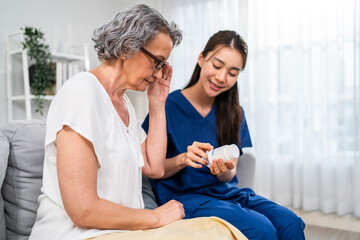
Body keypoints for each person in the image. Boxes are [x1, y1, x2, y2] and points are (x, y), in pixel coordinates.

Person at [29, 4, 185, 240]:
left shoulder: (124, 105)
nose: (158, 74)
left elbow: (154, 166)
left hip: (119, 233)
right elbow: (83, 210)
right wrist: (155, 217)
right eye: (157, 62)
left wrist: (157, 103)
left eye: (163, 66)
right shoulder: (81, 93)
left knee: (217, 230)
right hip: (76, 235)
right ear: (126, 48)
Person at [142, 30, 306, 240]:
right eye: (217, 66)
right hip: (185, 197)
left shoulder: (234, 112)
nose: (221, 77)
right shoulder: (167, 107)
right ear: (202, 58)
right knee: (262, 230)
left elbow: (229, 174)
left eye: (232, 72)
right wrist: (184, 159)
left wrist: (224, 170)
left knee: (290, 222)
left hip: (226, 192)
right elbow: (150, 169)